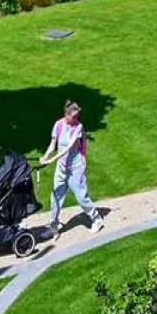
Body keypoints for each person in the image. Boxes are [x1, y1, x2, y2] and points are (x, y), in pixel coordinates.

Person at [39, 100, 103, 234]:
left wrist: (51, 160)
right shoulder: (58, 124)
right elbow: (53, 144)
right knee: (55, 197)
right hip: (61, 169)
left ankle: (96, 218)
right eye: (73, 116)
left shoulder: (78, 127)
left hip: (76, 168)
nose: (76, 118)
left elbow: (68, 148)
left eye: (77, 116)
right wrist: (45, 156)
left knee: (81, 197)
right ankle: (54, 226)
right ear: (66, 114)